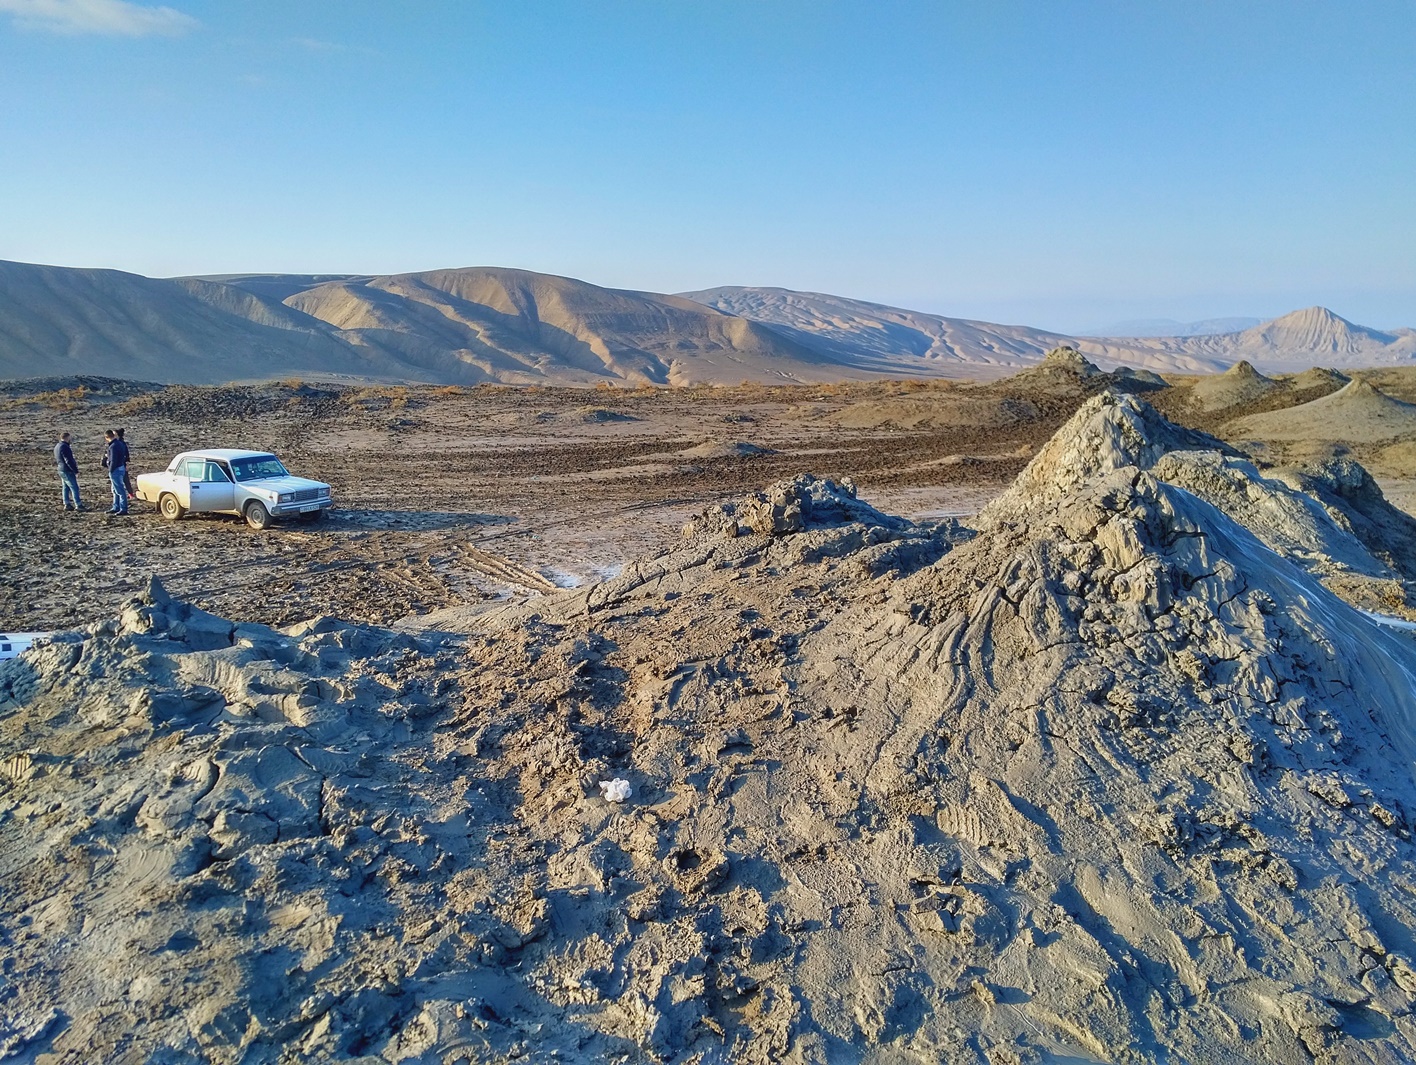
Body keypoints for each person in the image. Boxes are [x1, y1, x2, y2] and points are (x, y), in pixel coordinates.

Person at [54, 431, 83, 511]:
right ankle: (78, 505)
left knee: (66, 487)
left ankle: (67, 504)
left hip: (61, 469)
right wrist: (75, 470)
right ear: (67, 438)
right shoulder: (65, 447)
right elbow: (68, 460)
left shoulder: (57, 446)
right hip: (67, 470)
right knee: (74, 487)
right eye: (70, 438)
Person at [104, 429, 129, 516]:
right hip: (120, 467)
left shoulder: (113, 446)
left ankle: (123, 508)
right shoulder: (119, 444)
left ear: (106, 437)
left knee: (119, 490)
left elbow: (113, 460)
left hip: (116, 469)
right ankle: (116, 507)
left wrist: (110, 470)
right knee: (115, 489)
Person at [116, 427, 135, 500]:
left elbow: (125, 455)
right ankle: (130, 494)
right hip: (122, 464)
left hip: (120, 465)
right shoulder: (122, 443)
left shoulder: (119, 444)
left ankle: (128, 494)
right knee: (125, 480)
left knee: (123, 480)